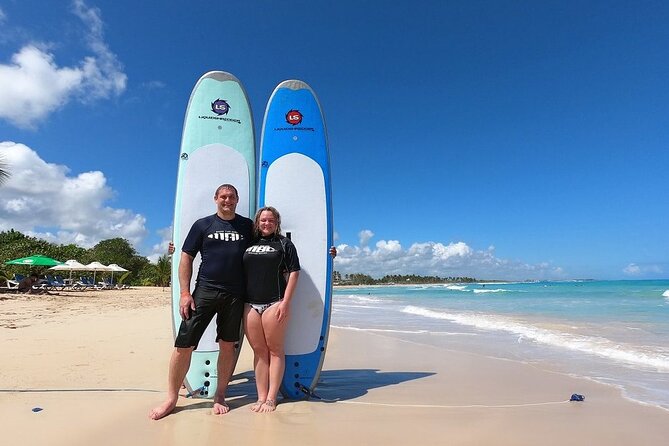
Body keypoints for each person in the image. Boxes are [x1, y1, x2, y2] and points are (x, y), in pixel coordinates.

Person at [149, 184, 253, 420]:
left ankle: (220, 395)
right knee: (183, 345)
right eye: (223, 197)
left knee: (227, 346)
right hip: (204, 292)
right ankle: (171, 398)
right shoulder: (202, 225)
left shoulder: (247, 226)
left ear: (237, 200)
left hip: (235, 295)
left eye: (232, 197)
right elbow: (186, 257)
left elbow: (269, 242)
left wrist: (326, 253)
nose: (227, 200)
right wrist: (185, 293)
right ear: (215, 198)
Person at [242, 207, 336, 413]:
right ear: (257, 222)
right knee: (259, 352)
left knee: (275, 350)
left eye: (271, 220)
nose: (267, 223)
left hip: (274, 303)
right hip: (249, 304)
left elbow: (294, 272)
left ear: (277, 223)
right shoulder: (248, 243)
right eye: (263, 220)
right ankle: (260, 396)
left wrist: (286, 302)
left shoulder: (285, 244)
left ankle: (271, 398)